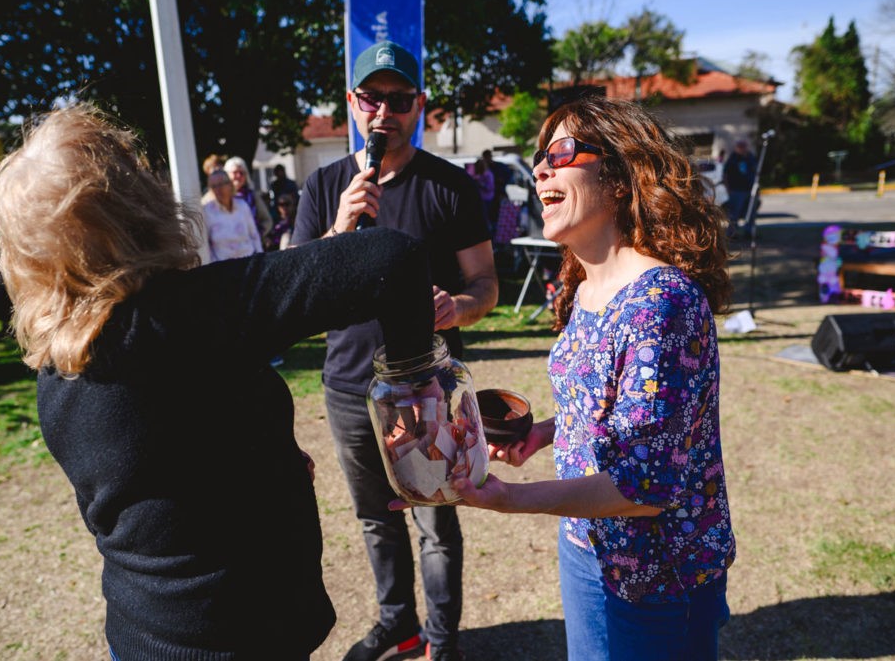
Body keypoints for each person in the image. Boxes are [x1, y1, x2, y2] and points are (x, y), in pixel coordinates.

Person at [0, 102, 438, 661]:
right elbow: (391, 261)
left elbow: (153, 487)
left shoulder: (55, 372)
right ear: (137, 204)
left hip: (143, 636)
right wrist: (416, 396)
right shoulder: (189, 315)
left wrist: (268, 466)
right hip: (242, 637)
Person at [433, 96, 736, 661]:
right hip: (585, 544)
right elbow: (603, 402)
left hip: (657, 575)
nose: (540, 168)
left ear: (620, 176)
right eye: (538, 157)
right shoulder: (585, 285)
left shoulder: (662, 304)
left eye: (562, 152)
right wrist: (545, 433)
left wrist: (507, 500)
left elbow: (643, 487)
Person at [291, 39, 498, 661]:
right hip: (349, 388)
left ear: (421, 106)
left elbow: (487, 284)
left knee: (433, 517)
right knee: (376, 518)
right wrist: (337, 230)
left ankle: (442, 640)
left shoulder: (449, 187)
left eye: (400, 98)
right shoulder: (324, 187)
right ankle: (397, 624)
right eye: (372, 98)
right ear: (352, 103)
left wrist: (460, 308)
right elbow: (297, 292)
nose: (385, 111)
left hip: (425, 389)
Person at [202, 168, 264, 261]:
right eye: (213, 186)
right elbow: (206, 245)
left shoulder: (242, 205)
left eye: (221, 184)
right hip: (223, 266)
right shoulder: (207, 211)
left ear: (230, 184)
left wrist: (261, 258)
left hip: (249, 260)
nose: (218, 189)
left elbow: (254, 235)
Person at [722, 138, 757, 236]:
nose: (742, 149)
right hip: (736, 190)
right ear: (736, 148)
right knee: (734, 213)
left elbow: (755, 171)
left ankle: (749, 232)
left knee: (751, 212)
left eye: (744, 146)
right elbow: (725, 175)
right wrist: (727, 189)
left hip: (750, 189)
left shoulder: (750, 157)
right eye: (740, 147)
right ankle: (732, 233)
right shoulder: (733, 159)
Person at [467, 158, 496, 233]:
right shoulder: (478, 175)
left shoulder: (488, 174)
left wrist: (480, 184)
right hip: (481, 199)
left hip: (487, 199)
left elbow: (490, 187)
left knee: (486, 218)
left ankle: (488, 232)